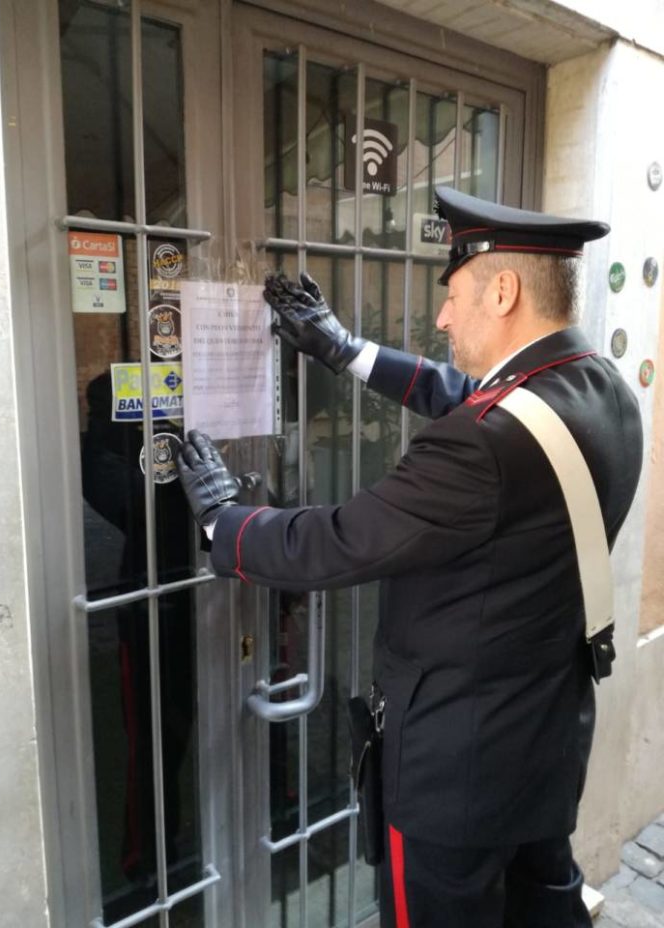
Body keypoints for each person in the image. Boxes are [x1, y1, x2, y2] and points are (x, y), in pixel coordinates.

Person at [176, 186, 643, 928]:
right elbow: (471, 395)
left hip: (455, 777)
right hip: (544, 743)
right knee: (543, 908)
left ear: (503, 291)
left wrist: (223, 525)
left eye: (453, 297)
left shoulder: (485, 444)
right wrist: (345, 349)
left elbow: (343, 539)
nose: (443, 317)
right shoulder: (602, 390)